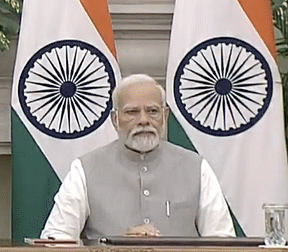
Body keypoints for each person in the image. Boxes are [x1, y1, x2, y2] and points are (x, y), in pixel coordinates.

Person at [41, 74, 235, 240]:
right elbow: (56, 240)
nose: (143, 120)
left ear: (165, 116)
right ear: (115, 120)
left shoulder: (196, 168)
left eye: (152, 111)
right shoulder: (85, 169)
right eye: (132, 112)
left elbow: (223, 242)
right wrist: (115, 246)